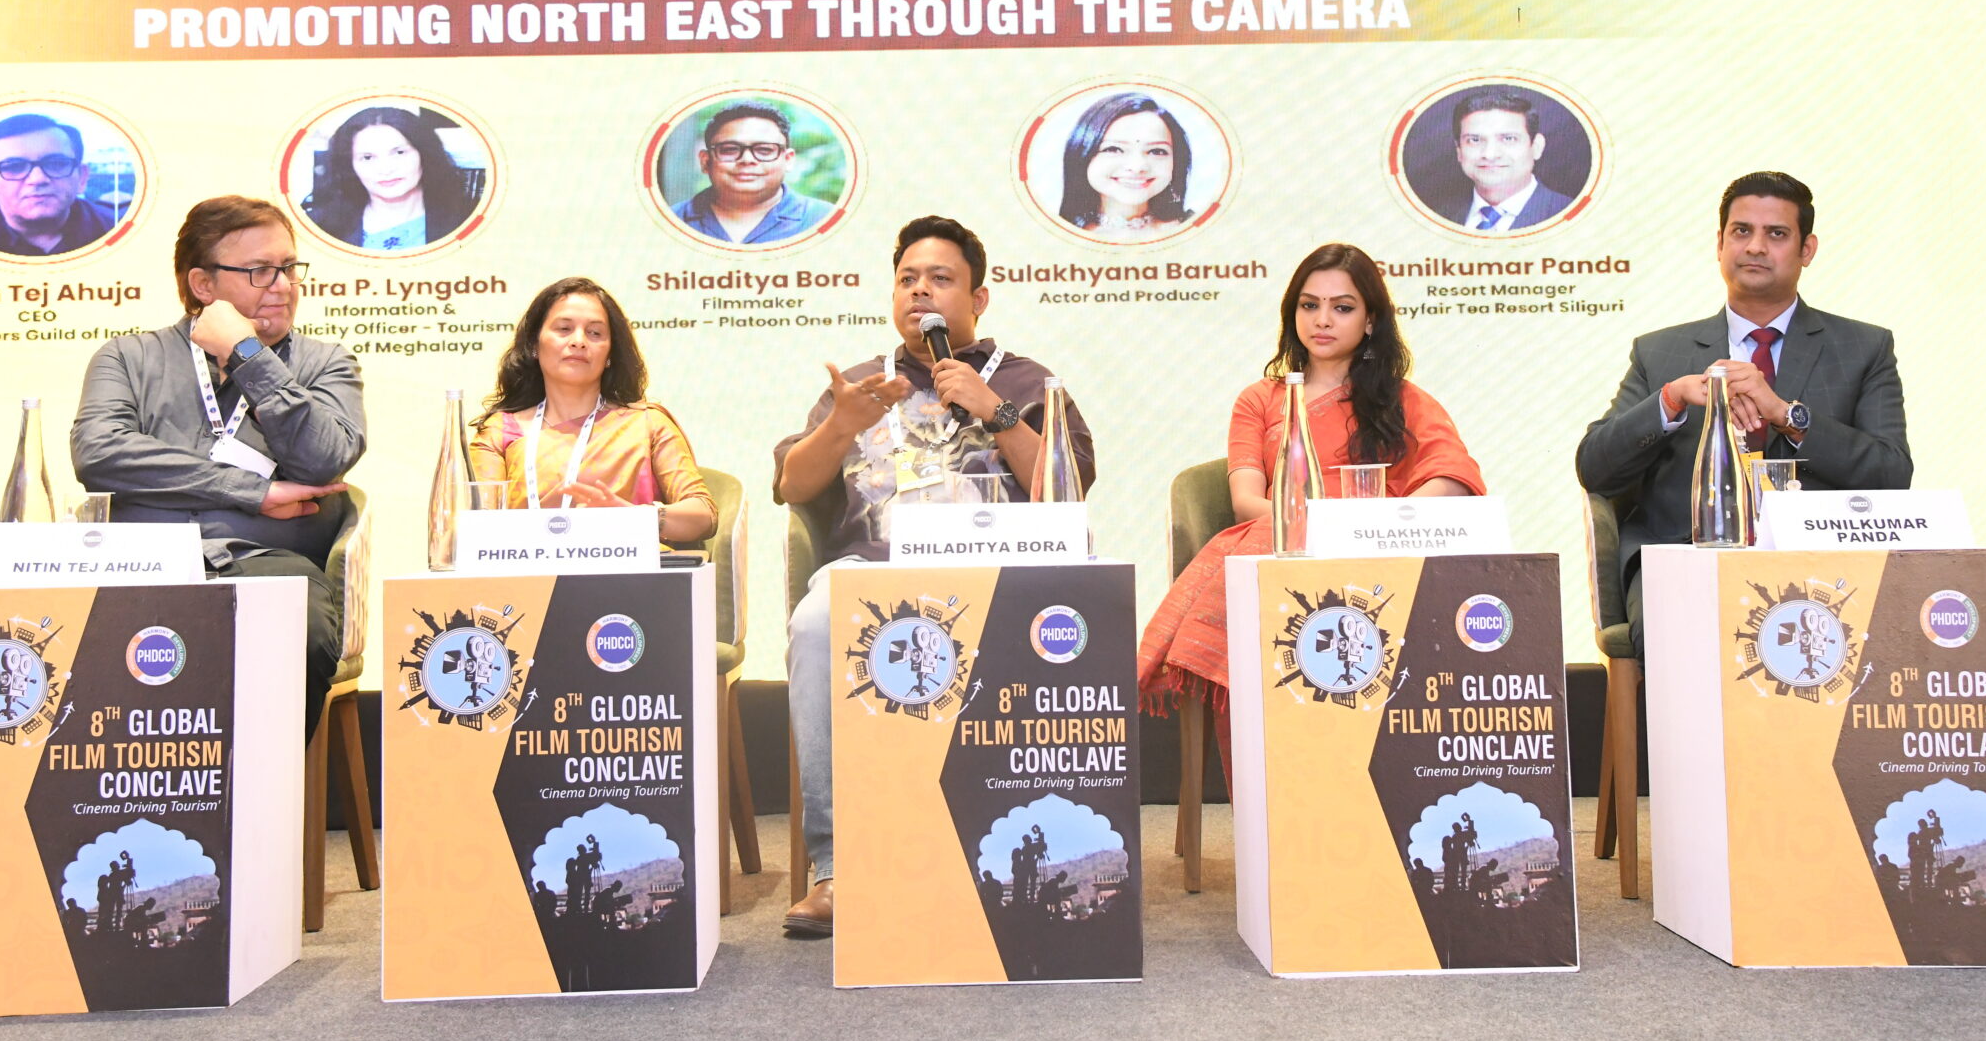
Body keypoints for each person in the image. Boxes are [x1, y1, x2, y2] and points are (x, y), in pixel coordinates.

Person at [773, 215, 1096, 938]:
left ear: (978, 299)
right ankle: (835, 869)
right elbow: (793, 486)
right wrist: (840, 425)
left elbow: (1067, 492)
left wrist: (996, 410)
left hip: (1002, 568)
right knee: (815, 622)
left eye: (940, 279)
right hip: (879, 574)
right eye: (907, 279)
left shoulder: (1028, 380)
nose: (919, 290)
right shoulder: (862, 385)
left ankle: (1055, 854)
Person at [1136, 244, 1484, 740]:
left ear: (1370, 321)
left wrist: (1373, 526)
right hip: (1286, 550)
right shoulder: (1261, 400)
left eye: (1342, 307)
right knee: (1258, 542)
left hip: (1376, 564)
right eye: (1309, 305)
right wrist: (1320, 525)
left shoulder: (1404, 400)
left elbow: (1452, 477)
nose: (1322, 319)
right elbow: (1247, 503)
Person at [1574, 172, 1912, 656]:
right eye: (1741, 231)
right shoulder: (1661, 352)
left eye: (1776, 234)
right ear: (1719, 244)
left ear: (1807, 250)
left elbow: (1892, 473)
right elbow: (1595, 468)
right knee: (1683, 645)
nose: (1755, 246)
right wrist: (1669, 400)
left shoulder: (1863, 347)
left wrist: (1786, 414)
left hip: (1821, 565)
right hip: (1685, 561)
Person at [72, 196, 364, 739]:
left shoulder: (325, 363)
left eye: (289, 267)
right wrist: (252, 491)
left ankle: (262, 788)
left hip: (266, 566)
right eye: (260, 271)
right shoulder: (129, 358)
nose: (283, 285)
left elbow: (325, 458)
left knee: (297, 628)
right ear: (203, 285)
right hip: (141, 564)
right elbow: (99, 453)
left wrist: (248, 356)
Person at [466, 277, 717, 544]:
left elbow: (704, 515)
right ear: (534, 345)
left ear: (610, 354)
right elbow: (473, 527)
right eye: (564, 329)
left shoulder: (646, 423)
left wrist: (635, 518)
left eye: (595, 333)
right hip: (525, 566)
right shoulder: (500, 432)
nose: (579, 341)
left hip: (625, 568)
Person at [303, 105, 475, 253]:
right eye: (367, 158)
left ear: (424, 154)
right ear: (350, 165)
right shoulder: (319, 227)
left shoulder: (468, 222)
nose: (385, 169)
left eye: (399, 152)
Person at [0, 112, 118, 257]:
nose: (37, 179)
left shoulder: (119, 232)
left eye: (57, 163)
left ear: (82, 177)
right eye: (14, 166)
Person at [670, 101, 832, 244]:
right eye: (730, 149)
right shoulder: (669, 222)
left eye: (764, 150)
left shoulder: (826, 221)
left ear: (788, 160)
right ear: (705, 161)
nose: (747, 160)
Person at [1056, 91, 1194, 240]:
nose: (1137, 167)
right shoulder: (1054, 236)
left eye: (1156, 151)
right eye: (1114, 149)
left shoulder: (1196, 230)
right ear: (1082, 155)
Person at [1434, 90, 1574, 233]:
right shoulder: (1437, 218)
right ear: (1459, 151)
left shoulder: (1571, 216)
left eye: (1508, 139)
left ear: (1536, 147)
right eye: (1474, 140)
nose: (1489, 155)